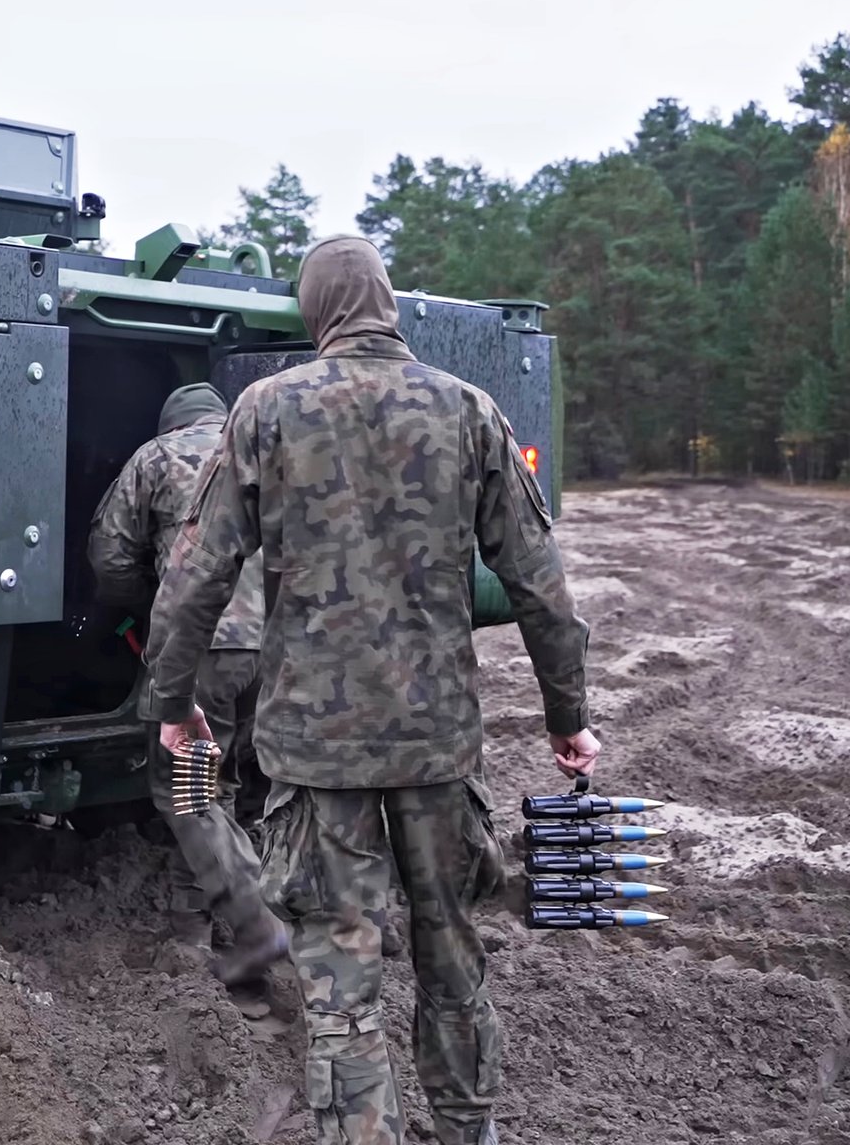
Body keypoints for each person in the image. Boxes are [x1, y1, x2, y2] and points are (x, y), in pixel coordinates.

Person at [139, 234, 598, 1145]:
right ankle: (469, 1131)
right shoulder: (469, 410)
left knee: (340, 983)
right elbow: (542, 587)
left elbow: (194, 579)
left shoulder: (266, 411)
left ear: (315, 312)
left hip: (315, 756)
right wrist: (567, 718)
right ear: (387, 303)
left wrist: (175, 702)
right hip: (437, 745)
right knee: (451, 953)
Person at [86, 384, 287, 995]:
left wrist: (149, 604)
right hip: (275, 653)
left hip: (202, 651)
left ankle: (257, 923)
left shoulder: (156, 458)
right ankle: (192, 927)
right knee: (221, 789)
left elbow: (110, 557)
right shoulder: (266, 451)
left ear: (171, 423)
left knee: (188, 789)